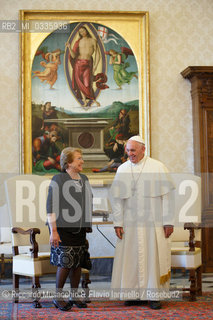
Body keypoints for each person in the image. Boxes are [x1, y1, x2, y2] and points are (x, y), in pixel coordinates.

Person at [110, 135, 175, 310]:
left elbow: (167, 196)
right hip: (130, 223)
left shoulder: (157, 167)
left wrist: (168, 221)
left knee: (153, 257)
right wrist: (118, 222)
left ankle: (154, 296)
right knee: (130, 258)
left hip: (153, 222)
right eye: (128, 150)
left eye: (133, 150)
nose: (130, 154)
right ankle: (132, 294)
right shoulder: (122, 169)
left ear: (143, 149)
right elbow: (117, 199)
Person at [46, 147, 93, 311]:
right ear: (69, 162)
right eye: (79, 158)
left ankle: (74, 295)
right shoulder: (58, 179)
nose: (82, 161)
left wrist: (87, 223)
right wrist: (54, 231)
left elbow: (86, 203)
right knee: (65, 262)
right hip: (62, 229)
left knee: (77, 262)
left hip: (79, 229)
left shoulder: (84, 179)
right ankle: (58, 297)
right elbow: (50, 207)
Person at [66, 26, 101, 107]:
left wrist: (95, 66)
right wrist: (69, 47)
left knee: (87, 83)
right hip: (78, 64)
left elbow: (98, 54)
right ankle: (84, 101)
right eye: (80, 32)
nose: (82, 33)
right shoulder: (78, 42)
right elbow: (74, 56)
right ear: (79, 33)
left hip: (87, 64)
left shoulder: (93, 41)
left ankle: (93, 100)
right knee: (80, 83)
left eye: (83, 30)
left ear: (87, 30)